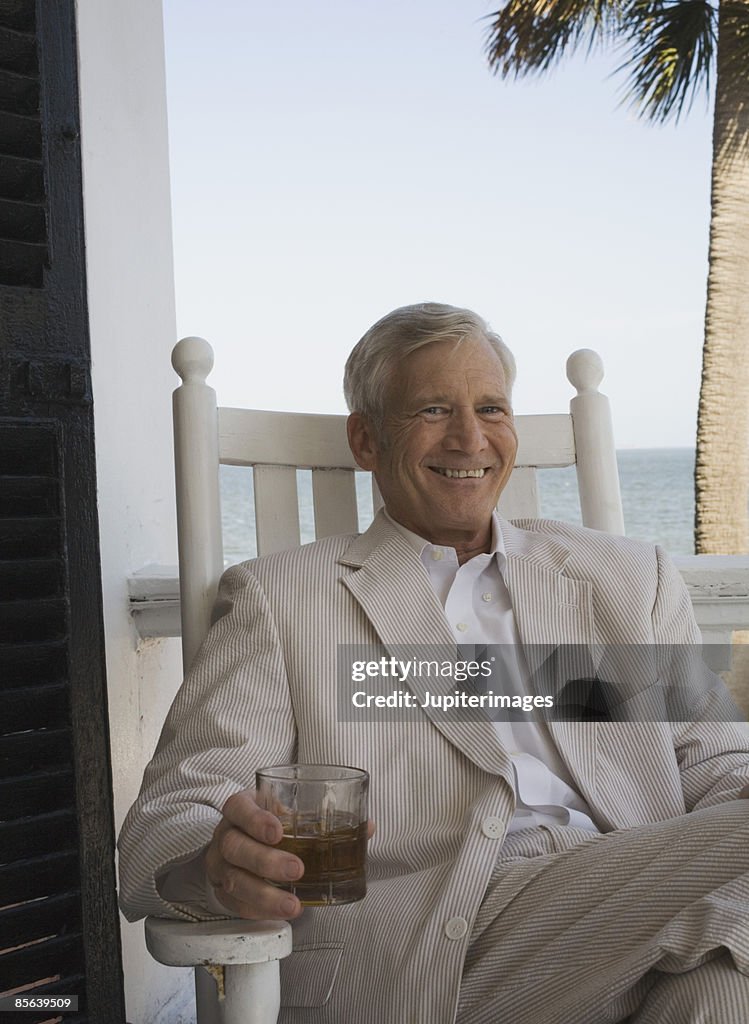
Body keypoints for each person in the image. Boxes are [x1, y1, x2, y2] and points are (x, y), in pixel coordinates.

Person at [119, 302, 749, 1023]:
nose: (469, 437)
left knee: (721, 990)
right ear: (366, 438)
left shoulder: (621, 581)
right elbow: (167, 821)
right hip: (428, 950)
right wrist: (218, 864)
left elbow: (714, 769)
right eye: (431, 410)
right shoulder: (284, 601)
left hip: (640, 928)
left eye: (490, 407)